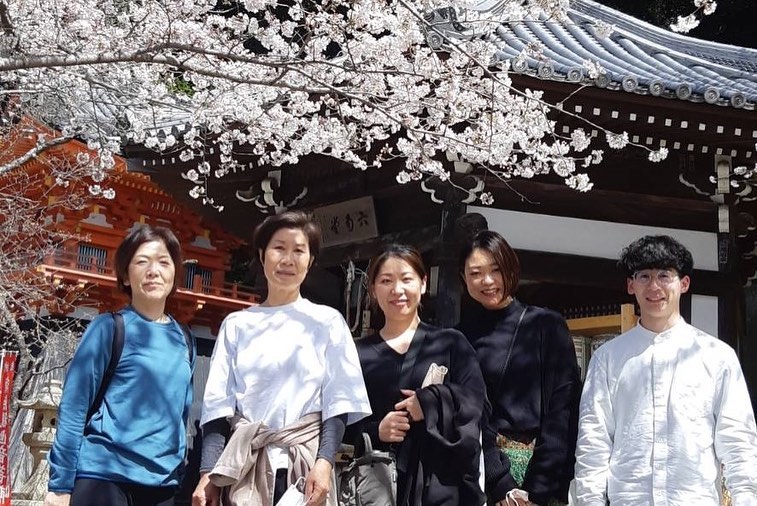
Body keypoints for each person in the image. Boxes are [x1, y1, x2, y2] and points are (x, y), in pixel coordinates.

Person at [192, 210, 371, 506]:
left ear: (310, 261)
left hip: (305, 467)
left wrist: (325, 462)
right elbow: (217, 407)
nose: (288, 259)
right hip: (245, 468)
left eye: (299, 251)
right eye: (279, 248)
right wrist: (207, 472)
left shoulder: (328, 322)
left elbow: (338, 402)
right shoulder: (237, 325)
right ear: (262, 255)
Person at [574, 234, 757, 505]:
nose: (654, 286)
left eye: (664, 275)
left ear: (684, 283)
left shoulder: (717, 356)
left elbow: (738, 439)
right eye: (644, 276)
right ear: (631, 285)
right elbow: (593, 440)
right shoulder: (607, 359)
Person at [45, 225, 195, 506]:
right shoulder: (109, 328)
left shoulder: (185, 339)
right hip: (103, 477)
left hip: (163, 484)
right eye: (142, 262)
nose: (153, 271)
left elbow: (181, 413)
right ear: (126, 275)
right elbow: (74, 407)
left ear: (175, 274)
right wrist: (60, 484)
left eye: (164, 262)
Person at [352, 244, 487, 505]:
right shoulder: (357, 353)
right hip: (376, 489)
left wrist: (430, 403)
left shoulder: (451, 343)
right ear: (373, 289)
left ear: (423, 284)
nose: (397, 290)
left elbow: (477, 403)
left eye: (406, 279)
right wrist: (376, 430)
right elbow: (339, 423)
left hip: (440, 486)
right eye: (386, 281)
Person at [457, 230, 581, 506]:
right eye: (476, 273)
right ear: (463, 278)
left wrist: (537, 489)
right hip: (483, 475)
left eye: (496, 270)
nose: (487, 281)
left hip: (542, 477)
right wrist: (500, 483)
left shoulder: (546, 325)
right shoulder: (459, 337)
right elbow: (467, 416)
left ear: (511, 269)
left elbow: (563, 407)